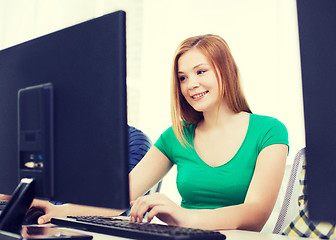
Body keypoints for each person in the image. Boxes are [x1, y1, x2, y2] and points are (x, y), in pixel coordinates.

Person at [32, 34, 289, 231]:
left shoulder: (269, 131)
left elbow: (256, 215)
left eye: (201, 71)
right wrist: (60, 211)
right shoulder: (176, 136)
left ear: (227, 70)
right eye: (182, 78)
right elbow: (120, 198)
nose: (191, 85)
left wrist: (185, 216)